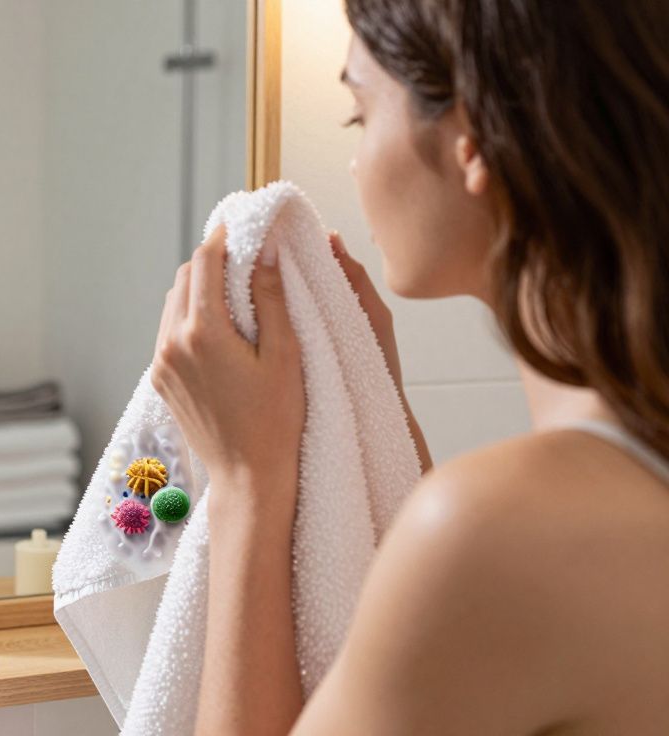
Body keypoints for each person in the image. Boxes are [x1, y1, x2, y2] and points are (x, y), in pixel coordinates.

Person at [150, 0, 669, 732]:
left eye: (358, 113)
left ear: (474, 139)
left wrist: (246, 480)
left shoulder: (493, 534)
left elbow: (476, 578)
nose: (356, 162)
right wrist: (378, 415)